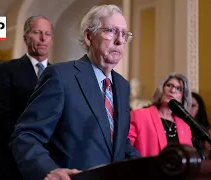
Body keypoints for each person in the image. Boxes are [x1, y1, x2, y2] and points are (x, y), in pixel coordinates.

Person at [9, 5, 141, 180]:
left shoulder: (122, 86)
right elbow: (26, 135)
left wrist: (151, 168)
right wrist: (48, 171)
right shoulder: (61, 76)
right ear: (88, 37)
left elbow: (119, 142)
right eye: (111, 31)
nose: (119, 41)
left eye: (124, 34)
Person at [0, 15, 53, 180]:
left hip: (49, 165)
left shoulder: (60, 74)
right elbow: (1, 120)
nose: (43, 38)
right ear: (25, 37)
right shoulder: (5, 69)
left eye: (48, 33)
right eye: (37, 32)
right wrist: (33, 152)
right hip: (11, 162)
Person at [128, 72, 193, 157]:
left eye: (179, 89)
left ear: (183, 97)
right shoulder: (139, 116)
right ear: (161, 89)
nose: (172, 90)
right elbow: (126, 149)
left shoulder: (185, 125)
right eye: (169, 85)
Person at [190, 92, 211, 159]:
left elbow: (207, 157)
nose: (188, 109)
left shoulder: (207, 130)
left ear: (199, 108)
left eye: (192, 106)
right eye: (186, 105)